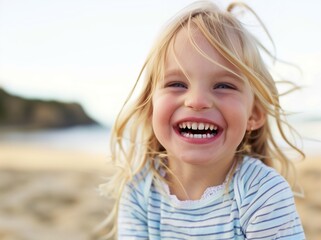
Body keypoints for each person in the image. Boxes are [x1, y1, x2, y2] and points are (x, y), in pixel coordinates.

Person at [99, 1, 306, 239]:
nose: (197, 101)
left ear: (254, 114)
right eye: (177, 84)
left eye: (224, 85)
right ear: (150, 107)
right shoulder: (140, 192)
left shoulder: (262, 192)